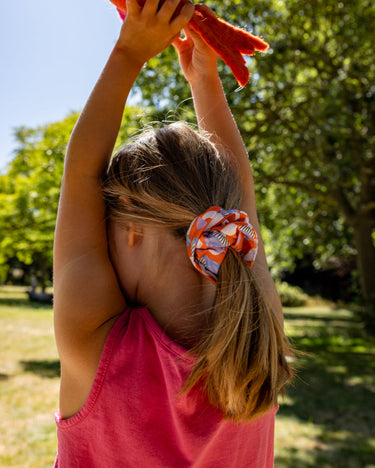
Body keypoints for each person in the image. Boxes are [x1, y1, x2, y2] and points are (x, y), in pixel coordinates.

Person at [53, 0, 294, 466]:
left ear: (132, 230)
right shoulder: (257, 333)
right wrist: (202, 80)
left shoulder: (100, 346)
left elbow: (81, 174)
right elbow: (240, 195)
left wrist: (132, 54)